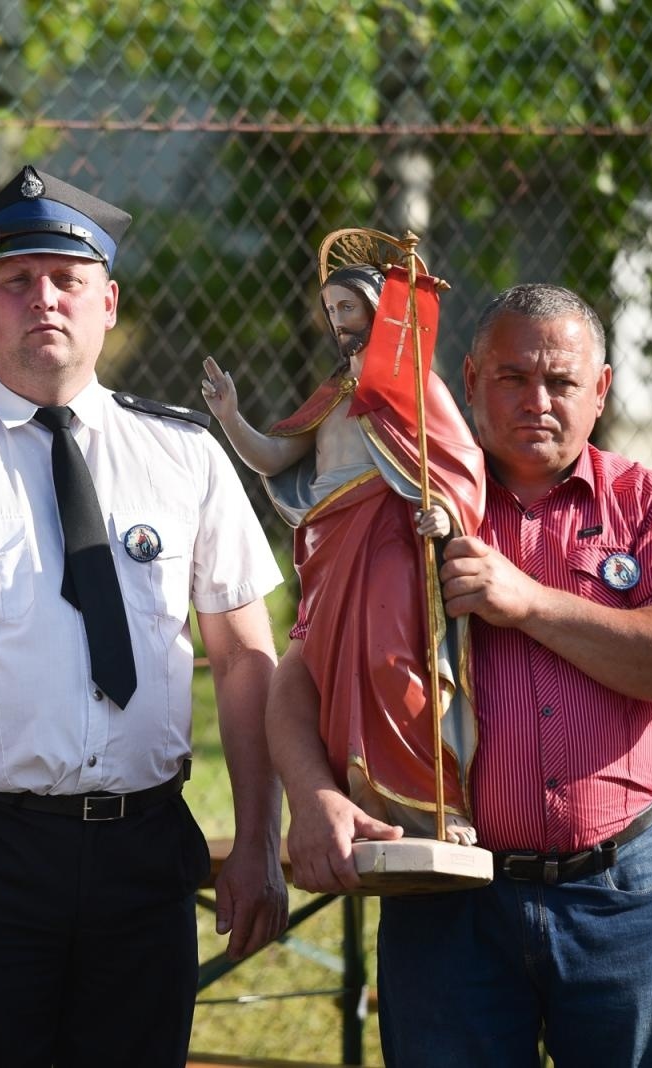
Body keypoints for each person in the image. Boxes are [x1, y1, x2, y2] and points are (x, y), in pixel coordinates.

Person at [0, 164, 288, 1067]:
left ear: (108, 302)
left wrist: (258, 841)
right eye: (16, 281)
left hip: (148, 849)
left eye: (68, 281)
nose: (44, 299)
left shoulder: (185, 454)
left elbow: (245, 660)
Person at [269, 282, 652, 1066]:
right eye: (513, 378)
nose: (538, 401)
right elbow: (300, 671)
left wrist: (526, 602)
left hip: (617, 891)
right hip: (447, 898)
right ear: (472, 379)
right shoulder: (403, 504)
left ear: (602, 391)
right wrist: (313, 797)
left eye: (562, 382)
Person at [201, 255, 485, 844]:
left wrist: (447, 512)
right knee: (334, 668)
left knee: (390, 661)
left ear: (379, 310)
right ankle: (362, 792)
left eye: (347, 307)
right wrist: (230, 417)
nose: (338, 321)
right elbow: (276, 458)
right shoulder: (334, 392)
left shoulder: (412, 385)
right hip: (329, 543)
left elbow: (460, 464)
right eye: (331, 310)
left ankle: (430, 799)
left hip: (388, 539)